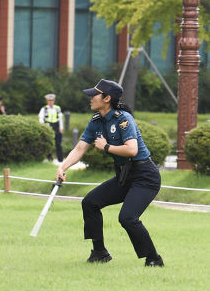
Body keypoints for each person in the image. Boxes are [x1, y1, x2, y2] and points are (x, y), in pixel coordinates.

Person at [55, 79, 164, 267]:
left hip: (145, 176)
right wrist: (62, 167)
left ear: (107, 99)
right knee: (90, 202)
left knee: (127, 218)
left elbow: (132, 150)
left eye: (94, 95)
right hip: (125, 176)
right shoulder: (96, 121)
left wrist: (106, 146)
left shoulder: (123, 119)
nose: (90, 98)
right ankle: (99, 252)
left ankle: (154, 258)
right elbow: (80, 148)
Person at [39, 94, 63, 163]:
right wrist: (43, 127)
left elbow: (60, 119)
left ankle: (60, 160)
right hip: (48, 126)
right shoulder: (44, 109)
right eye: (49, 100)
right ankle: (49, 158)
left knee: (58, 143)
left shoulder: (57, 108)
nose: (50, 102)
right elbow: (41, 118)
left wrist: (61, 128)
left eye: (52, 100)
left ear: (54, 101)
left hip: (56, 126)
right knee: (48, 143)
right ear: (47, 101)